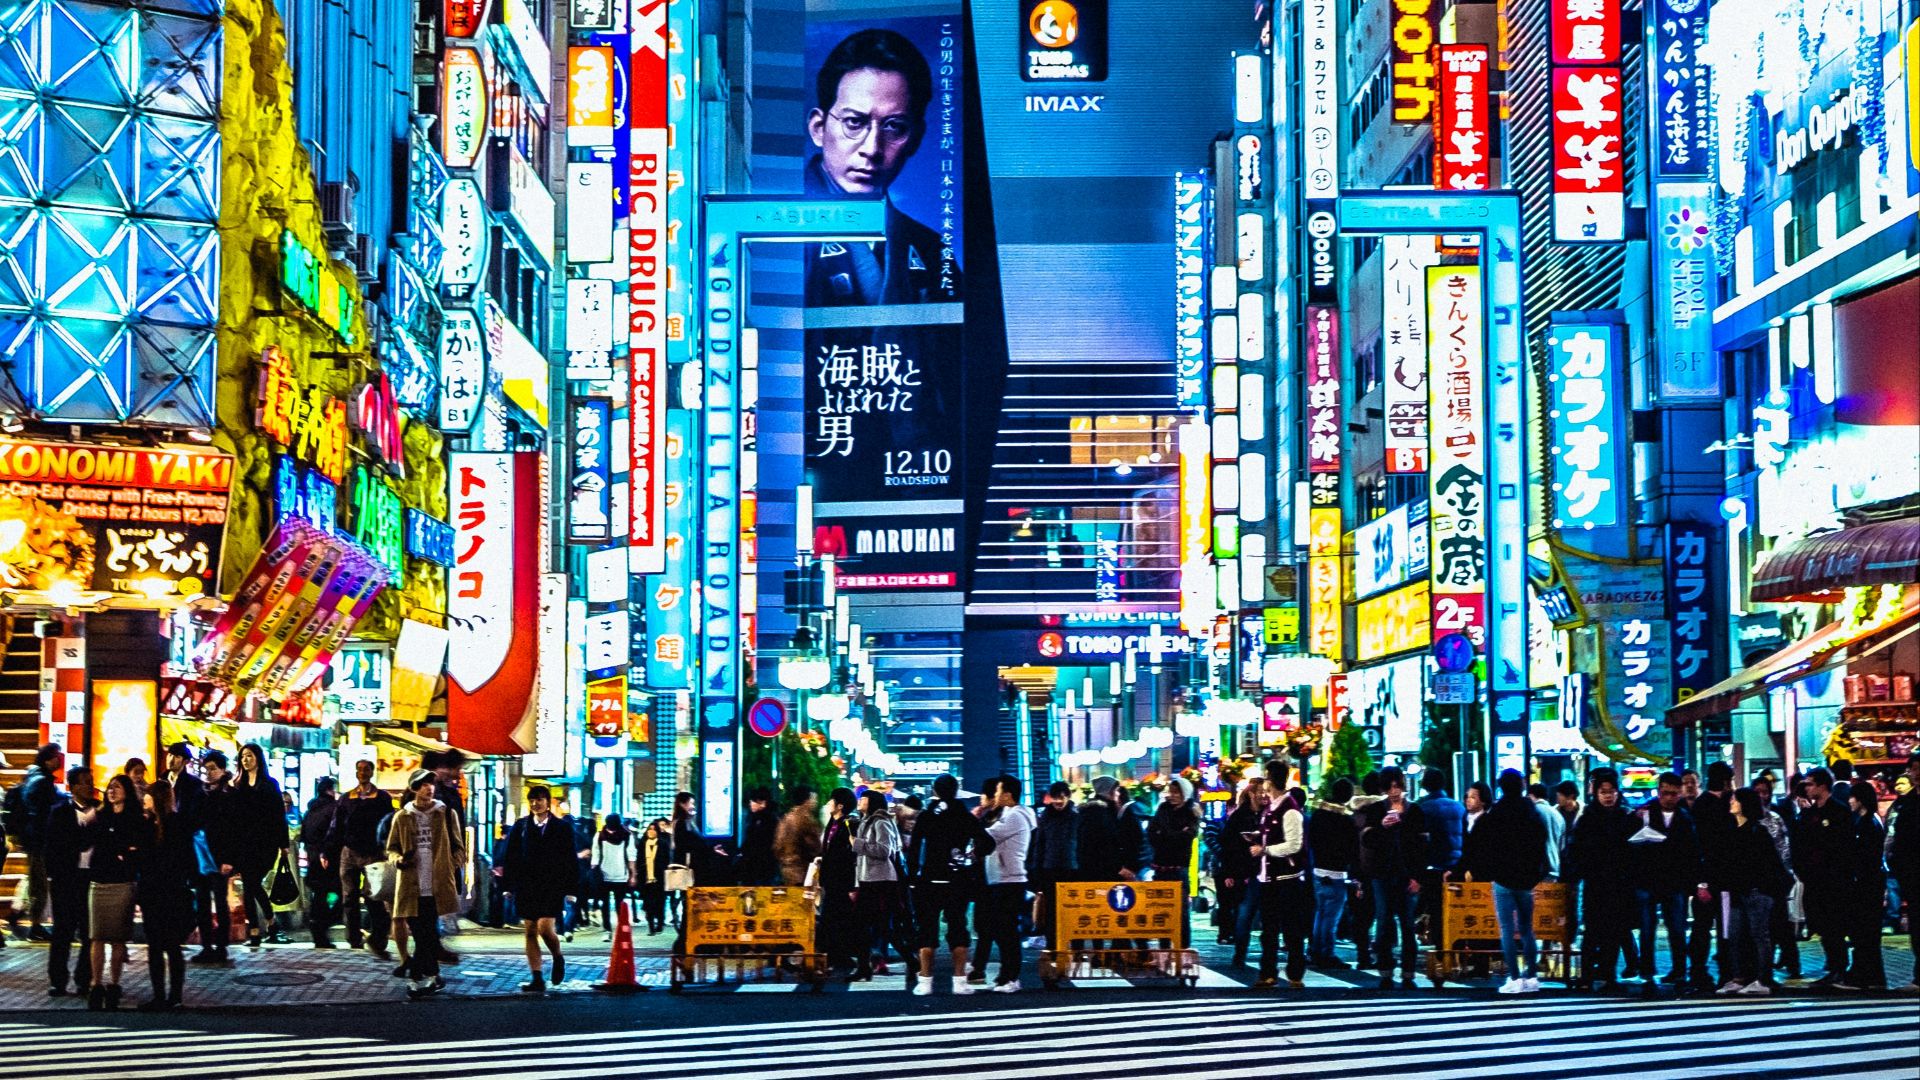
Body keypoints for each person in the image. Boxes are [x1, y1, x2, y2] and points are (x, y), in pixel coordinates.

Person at [803, 28, 957, 306]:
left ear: (916, 138)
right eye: (854, 123)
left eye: (894, 127)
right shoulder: (778, 231)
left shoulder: (932, 250)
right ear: (818, 128)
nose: (872, 149)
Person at [904, 773, 993, 996]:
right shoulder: (964, 814)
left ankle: (924, 981)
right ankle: (959, 981)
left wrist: (913, 876)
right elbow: (987, 842)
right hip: (957, 878)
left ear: (934, 790)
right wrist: (970, 857)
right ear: (956, 790)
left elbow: (914, 850)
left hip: (929, 879)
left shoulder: (925, 816)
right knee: (958, 928)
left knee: (926, 929)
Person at [1464, 770, 1549, 994]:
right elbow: (1541, 843)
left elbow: (1486, 846)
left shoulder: (1496, 813)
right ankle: (1531, 975)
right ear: (1521, 785)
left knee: (1506, 929)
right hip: (1526, 879)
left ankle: (1513, 977)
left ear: (1501, 786)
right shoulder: (1532, 811)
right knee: (1527, 928)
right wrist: (1536, 872)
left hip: (1503, 878)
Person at [387, 770, 464, 1000]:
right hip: (411, 883)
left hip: (437, 882)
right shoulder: (402, 816)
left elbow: (459, 847)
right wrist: (398, 859)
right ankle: (433, 976)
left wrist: (450, 865)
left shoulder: (445, 813)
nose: (428, 788)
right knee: (421, 933)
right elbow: (391, 848)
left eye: (430, 784)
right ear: (414, 789)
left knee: (427, 932)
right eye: (422, 785)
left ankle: (416, 979)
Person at [1709, 788, 1792, 996]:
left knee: (1759, 936)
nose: (1731, 802)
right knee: (1736, 935)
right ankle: (1739, 977)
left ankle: (1762, 979)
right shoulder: (1731, 829)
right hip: (1738, 891)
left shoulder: (1757, 831)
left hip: (1756, 891)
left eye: (1735, 800)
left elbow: (1767, 864)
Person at [1356, 766, 1430, 988]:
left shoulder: (1415, 811)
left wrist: (1418, 877)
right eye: (1389, 786)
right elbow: (1366, 841)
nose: (1394, 790)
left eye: (1397, 785)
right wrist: (1380, 826)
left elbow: (1423, 847)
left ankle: (1408, 973)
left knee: (1407, 923)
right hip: (1382, 873)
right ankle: (1385, 971)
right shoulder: (1377, 810)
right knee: (1384, 921)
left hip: (1407, 874)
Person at [81, 774, 150, 1010]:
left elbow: (138, 849)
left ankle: (114, 983)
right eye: (110, 787)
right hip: (99, 880)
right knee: (97, 935)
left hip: (122, 882)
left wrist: (125, 852)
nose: (112, 791)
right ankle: (95, 983)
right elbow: (86, 842)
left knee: (118, 936)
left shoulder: (135, 819)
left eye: (117, 787)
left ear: (127, 792)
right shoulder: (99, 816)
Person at [500, 787, 579, 993]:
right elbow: (511, 856)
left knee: (545, 927)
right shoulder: (521, 826)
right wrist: (508, 886)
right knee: (529, 930)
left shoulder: (562, 827)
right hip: (526, 885)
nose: (536, 804)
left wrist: (571, 889)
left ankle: (557, 956)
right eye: (532, 800)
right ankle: (537, 977)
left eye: (540, 800)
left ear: (547, 802)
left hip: (551, 885)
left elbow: (570, 859)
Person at [1565, 767, 1637, 991]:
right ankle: (1587, 976)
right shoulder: (1587, 818)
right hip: (1595, 883)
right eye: (1603, 791)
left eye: (1612, 791)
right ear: (1595, 793)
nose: (1608, 796)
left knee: (1614, 931)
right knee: (1593, 930)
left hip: (1619, 883)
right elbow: (1575, 851)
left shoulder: (1626, 816)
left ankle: (1608, 974)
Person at [1630, 771, 1700, 989]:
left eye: (1673, 793)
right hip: (1648, 879)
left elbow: (1692, 853)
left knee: (1676, 928)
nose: (1669, 797)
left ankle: (1678, 970)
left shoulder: (1685, 817)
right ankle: (1648, 970)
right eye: (1665, 793)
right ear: (1659, 792)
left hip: (1673, 881)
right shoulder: (1643, 814)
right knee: (1648, 928)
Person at [1791, 766, 1854, 987]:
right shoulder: (1809, 813)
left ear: (1822, 785)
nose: (1806, 787)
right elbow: (1798, 843)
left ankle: (1839, 967)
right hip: (1813, 879)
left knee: (1834, 924)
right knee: (1820, 924)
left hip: (1833, 880)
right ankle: (1833, 965)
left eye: (1810, 783)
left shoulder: (1839, 811)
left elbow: (1843, 848)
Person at [325, 758, 394, 956]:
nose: (362, 773)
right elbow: (336, 825)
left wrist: (387, 848)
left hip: (373, 853)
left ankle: (378, 938)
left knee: (374, 896)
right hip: (349, 852)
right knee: (349, 896)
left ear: (372, 772)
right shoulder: (346, 798)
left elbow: (389, 824)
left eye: (366, 769)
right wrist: (327, 850)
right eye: (359, 769)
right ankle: (353, 938)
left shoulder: (382, 798)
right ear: (356, 773)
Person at [138, 779, 195, 1010]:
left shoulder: (156, 825)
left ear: (156, 798)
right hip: (173, 891)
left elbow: (143, 858)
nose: (144, 799)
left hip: (158, 892)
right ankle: (174, 996)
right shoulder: (175, 823)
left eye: (148, 795)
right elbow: (189, 861)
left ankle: (161, 996)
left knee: (158, 946)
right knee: (170, 946)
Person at [1251, 777, 1310, 988]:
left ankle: (1295, 973)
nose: (1264, 791)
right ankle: (1268, 972)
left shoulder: (1290, 810)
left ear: (1273, 784)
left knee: (1291, 929)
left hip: (1287, 878)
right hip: (1268, 876)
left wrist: (1265, 850)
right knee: (1269, 930)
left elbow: (1294, 845)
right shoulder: (1271, 810)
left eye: (1266, 785)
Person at [851, 790, 915, 983]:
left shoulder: (881, 822)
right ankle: (864, 968)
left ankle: (911, 961)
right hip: (867, 881)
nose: (860, 801)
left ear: (872, 802)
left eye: (863, 799)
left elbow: (884, 851)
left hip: (882, 882)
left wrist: (857, 843)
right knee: (863, 926)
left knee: (883, 927)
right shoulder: (866, 821)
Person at [43, 765, 96, 997]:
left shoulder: (99, 812)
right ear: (73, 787)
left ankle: (84, 979)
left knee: (89, 932)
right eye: (84, 782)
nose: (89, 785)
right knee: (62, 931)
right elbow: (53, 847)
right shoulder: (60, 812)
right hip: (66, 879)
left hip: (91, 878)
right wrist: (54, 876)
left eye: (90, 781)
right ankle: (58, 980)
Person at [230, 744, 290, 946]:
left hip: (266, 843)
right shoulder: (238, 785)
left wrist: (284, 843)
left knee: (253, 883)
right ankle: (258, 929)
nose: (246, 760)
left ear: (258, 758)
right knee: (250, 885)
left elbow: (278, 814)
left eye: (250, 756)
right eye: (243, 757)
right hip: (244, 844)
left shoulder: (269, 784)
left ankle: (269, 925)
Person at [981, 776, 1036, 992]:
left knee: (1007, 931)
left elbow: (988, 836)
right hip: (1003, 879)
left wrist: (976, 817)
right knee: (1002, 929)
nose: (994, 796)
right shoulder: (1011, 814)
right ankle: (1006, 975)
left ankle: (1011, 978)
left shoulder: (1015, 816)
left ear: (1007, 794)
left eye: (997, 791)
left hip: (1010, 880)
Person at [1686, 761, 1736, 992]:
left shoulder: (1700, 805)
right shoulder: (1723, 805)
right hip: (1721, 877)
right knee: (1720, 928)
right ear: (1726, 782)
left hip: (1708, 878)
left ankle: (1699, 970)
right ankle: (1722, 972)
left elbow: (1697, 848)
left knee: (1703, 927)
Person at [6, 743, 63, 940]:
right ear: (48, 759)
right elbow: (39, 812)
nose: (60, 759)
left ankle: (18, 912)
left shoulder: (35, 777)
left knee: (34, 879)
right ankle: (35, 926)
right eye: (56, 756)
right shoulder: (41, 781)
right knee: (39, 884)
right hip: (37, 839)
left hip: (33, 839)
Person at [1836, 785, 1888, 991]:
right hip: (1867, 884)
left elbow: (1867, 857)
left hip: (1867, 886)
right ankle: (1872, 976)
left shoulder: (1869, 823)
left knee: (1865, 931)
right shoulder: (1865, 821)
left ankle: (1863, 975)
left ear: (1861, 800)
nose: (1850, 801)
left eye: (1853, 797)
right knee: (1866, 932)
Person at [1307, 778, 1359, 969]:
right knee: (1331, 916)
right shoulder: (1346, 820)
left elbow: (1310, 840)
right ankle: (1326, 952)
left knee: (1320, 912)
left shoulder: (1318, 815)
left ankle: (1315, 949)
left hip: (1318, 869)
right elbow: (1352, 848)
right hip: (1336, 871)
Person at [192, 750, 237, 964]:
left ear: (222, 769)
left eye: (212, 769)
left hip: (219, 856)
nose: (208, 773)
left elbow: (233, 829)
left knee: (220, 902)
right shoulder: (201, 792)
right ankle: (206, 945)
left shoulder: (229, 794)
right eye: (206, 769)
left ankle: (221, 946)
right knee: (202, 902)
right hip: (200, 855)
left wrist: (229, 859)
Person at [1147, 777, 1201, 945]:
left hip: (1179, 867)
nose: (1173, 795)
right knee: (1161, 909)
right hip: (1160, 866)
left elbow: (1187, 837)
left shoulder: (1191, 811)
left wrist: (1165, 834)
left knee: (1181, 911)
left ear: (1185, 793)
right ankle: (1164, 946)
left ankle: (1183, 947)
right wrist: (1173, 834)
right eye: (1171, 791)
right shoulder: (1163, 808)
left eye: (1177, 792)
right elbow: (1151, 833)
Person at [1027, 781, 1080, 945]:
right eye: (1055, 798)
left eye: (1062, 797)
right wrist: (1037, 871)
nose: (1058, 802)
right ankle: (1053, 946)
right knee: (1051, 911)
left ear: (1068, 797)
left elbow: (1082, 844)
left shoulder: (1076, 817)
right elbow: (1039, 845)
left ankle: (1076, 947)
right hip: (1049, 870)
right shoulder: (1045, 817)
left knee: (1073, 909)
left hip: (1072, 870)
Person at [1218, 782, 1264, 967]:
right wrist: (1229, 872)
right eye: (1260, 791)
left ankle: (1266, 953)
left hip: (1265, 870)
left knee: (1266, 915)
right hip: (1244, 872)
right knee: (1244, 913)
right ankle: (1240, 953)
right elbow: (1227, 845)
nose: (1263, 795)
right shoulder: (1239, 816)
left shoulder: (1267, 813)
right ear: (1251, 794)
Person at [1887, 754, 1920, 994]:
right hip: (1911, 873)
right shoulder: (1906, 802)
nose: (1915, 773)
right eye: (1913, 769)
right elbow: (1899, 837)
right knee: (1917, 929)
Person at [820, 788, 862, 974]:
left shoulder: (849, 824)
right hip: (830, 879)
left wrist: (852, 884)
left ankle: (841, 956)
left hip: (842, 880)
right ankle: (833, 955)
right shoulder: (832, 823)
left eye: (831, 800)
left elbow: (852, 855)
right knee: (831, 917)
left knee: (841, 918)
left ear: (840, 805)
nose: (828, 803)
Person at [299, 777, 340, 948]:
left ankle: (318, 932)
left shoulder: (310, 811)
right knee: (342, 892)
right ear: (330, 790)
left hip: (313, 859)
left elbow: (303, 836)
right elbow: (336, 834)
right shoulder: (333, 809)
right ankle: (321, 926)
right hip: (328, 858)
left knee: (320, 896)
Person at [591, 814, 638, 940]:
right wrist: (594, 871)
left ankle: (620, 929)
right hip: (603, 875)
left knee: (619, 905)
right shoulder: (599, 836)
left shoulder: (627, 836)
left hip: (621, 875)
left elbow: (631, 856)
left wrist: (633, 875)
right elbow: (595, 854)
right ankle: (607, 930)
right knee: (604, 904)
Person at [775, 787, 823, 886]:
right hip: (802, 871)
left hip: (786, 870)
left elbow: (778, 845)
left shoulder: (786, 818)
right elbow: (814, 846)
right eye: (814, 798)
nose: (815, 802)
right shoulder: (805, 819)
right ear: (806, 801)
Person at [635, 818, 671, 934]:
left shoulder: (663, 843)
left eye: (654, 829)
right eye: (649, 829)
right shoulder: (642, 843)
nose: (651, 831)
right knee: (648, 902)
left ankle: (660, 923)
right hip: (646, 878)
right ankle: (651, 926)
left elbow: (666, 860)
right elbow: (638, 859)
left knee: (660, 901)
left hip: (659, 877)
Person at [737, 788, 780, 886]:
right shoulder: (756, 818)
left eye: (753, 801)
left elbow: (754, 842)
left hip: (761, 866)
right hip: (759, 866)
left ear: (762, 803)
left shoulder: (766, 821)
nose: (750, 804)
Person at [1526, 782, 1566, 881]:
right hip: (1555, 868)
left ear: (1531, 796)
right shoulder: (1558, 815)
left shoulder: (1532, 812)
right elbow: (1562, 846)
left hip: (1536, 868)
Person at [161, 743, 205, 826]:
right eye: (170, 755)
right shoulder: (161, 780)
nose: (171, 760)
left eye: (177, 757)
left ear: (186, 761)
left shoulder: (193, 784)